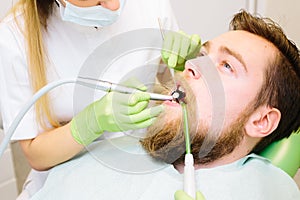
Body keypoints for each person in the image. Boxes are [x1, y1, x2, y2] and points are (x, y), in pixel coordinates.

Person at [24, 10, 300, 200]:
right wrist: (89, 122)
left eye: (226, 66)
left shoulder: (265, 190)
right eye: (202, 54)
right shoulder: (118, 146)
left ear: (262, 121)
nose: (191, 64)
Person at [0, 0, 179, 199]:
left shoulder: (152, 5)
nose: (113, 6)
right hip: (66, 181)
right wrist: (89, 123)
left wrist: (185, 65)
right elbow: (35, 154)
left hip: (146, 166)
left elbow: (173, 91)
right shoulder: (14, 36)